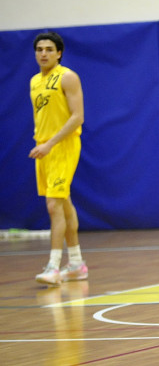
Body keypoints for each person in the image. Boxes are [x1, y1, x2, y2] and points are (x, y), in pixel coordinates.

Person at [28, 31, 88, 285]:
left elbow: (77, 117)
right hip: (43, 148)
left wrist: (50, 143)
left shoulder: (68, 77)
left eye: (49, 49)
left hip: (62, 146)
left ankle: (53, 266)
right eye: (40, 49)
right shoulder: (34, 81)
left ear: (59, 53)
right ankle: (76, 264)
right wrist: (42, 144)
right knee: (63, 204)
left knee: (53, 205)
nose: (44, 54)